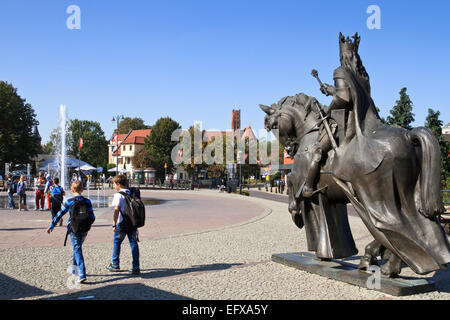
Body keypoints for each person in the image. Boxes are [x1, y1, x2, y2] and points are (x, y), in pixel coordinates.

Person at [46, 180, 95, 284]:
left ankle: (82, 273)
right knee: (77, 247)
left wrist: (51, 226)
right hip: (84, 229)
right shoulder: (87, 201)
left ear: (72, 190)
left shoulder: (69, 201)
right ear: (82, 189)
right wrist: (87, 224)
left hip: (73, 228)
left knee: (77, 248)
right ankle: (74, 269)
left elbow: (59, 214)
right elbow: (92, 217)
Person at [107, 174, 140, 275]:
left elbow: (116, 210)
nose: (113, 186)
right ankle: (136, 266)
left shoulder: (118, 195)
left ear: (118, 184)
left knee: (117, 242)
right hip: (132, 222)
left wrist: (114, 224)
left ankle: (115, 264)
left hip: (121, 223)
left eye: (113, 184)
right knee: (133, 243)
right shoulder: (132, 193)